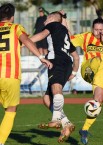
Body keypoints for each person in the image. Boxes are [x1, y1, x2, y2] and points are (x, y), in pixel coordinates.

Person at [0, 3, 52, 145]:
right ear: (12, 17)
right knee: (10, 111)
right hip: (10, 75)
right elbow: (26, 41)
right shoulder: (16, 28)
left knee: (6, 108)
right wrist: (41, 57)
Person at [30, 11, 79, 143]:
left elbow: (40, 35)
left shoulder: (53, 25)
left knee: (56, 89)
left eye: (47, 18)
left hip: (57, 62)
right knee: (47, 99)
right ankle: (66, 124)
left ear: (52, 19)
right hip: (66, 63)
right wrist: (73, 72)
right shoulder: (64, 34)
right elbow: (76, 56)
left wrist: (24, 42)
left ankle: (56, 119)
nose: (45, 21)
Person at [70, 18, 103, 144]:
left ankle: (84, 129)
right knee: (98, 60)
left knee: (99, 100)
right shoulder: (86, 37)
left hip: (102, 74)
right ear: (92, 29)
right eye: (96, 30)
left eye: (100, 30)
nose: (98, 32)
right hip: (88, 69)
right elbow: (68, 39)